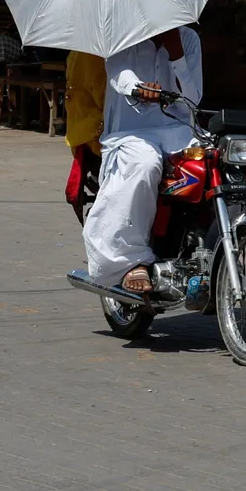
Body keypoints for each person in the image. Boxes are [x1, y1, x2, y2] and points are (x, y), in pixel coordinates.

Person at [83, 27, 202, 293]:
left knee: (224, 158)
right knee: (146, 164)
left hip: (180, 132)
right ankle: (131, 261)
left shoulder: (188, 40)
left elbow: (193, 99)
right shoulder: (120, 36)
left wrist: (177, 53)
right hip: (130, 134)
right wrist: (139, 88)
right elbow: (120, 75)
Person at [64, 51, 107, 225]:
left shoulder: (78, 50)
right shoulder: (93, 56)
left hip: (82, 129)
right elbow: (103, 96)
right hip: (95, 132)